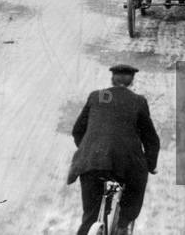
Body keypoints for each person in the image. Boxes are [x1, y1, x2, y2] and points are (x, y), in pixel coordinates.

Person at [68, 64, 160, 235]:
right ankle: (123, 224)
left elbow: (77, 130)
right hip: (124, 164)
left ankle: (90, 227)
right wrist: (150, 164)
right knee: (137, 184)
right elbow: (150, 138)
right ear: (132, 80)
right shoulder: (138, 101)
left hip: (90, 163)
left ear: (112, 78)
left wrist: (89, 149)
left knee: (90, 216)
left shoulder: (96, 96)